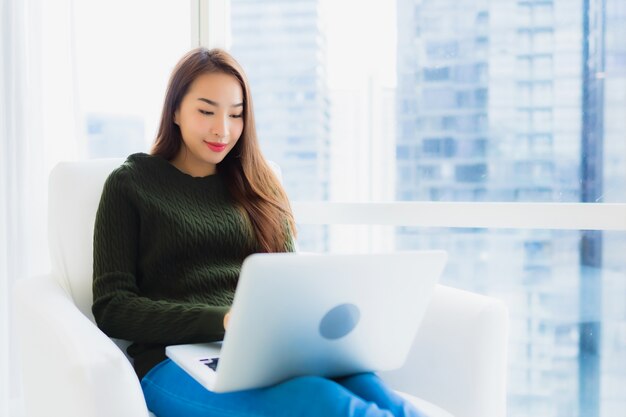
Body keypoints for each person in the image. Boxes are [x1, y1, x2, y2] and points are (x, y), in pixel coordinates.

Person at [92, 47, 426, 417]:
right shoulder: (131, 184)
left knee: (387, 400)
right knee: (326, 403)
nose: (223, 129)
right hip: (172, 362)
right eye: (206, 111)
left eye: (236, 115)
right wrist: (222, 319)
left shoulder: (258, 184)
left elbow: (289, 280)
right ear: (174, 110)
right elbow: (112, 307)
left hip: (267, 353)